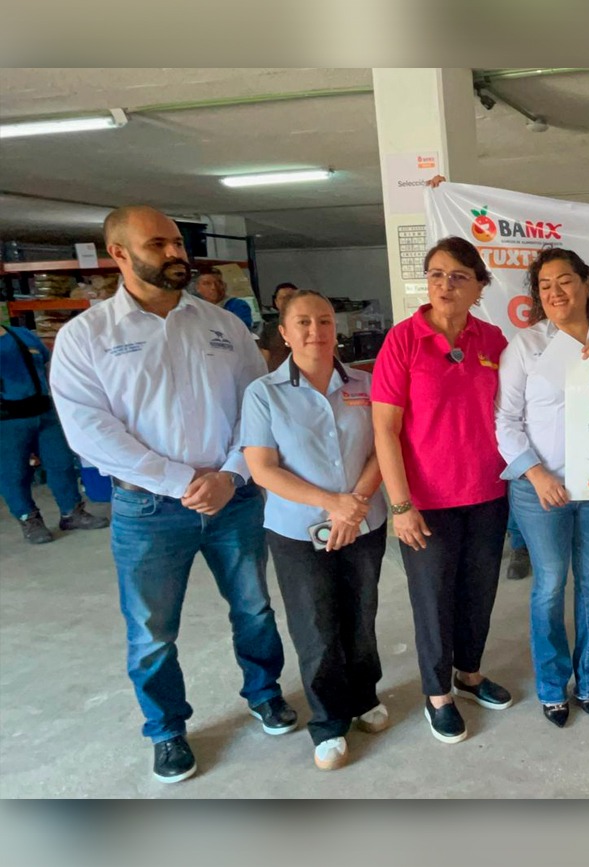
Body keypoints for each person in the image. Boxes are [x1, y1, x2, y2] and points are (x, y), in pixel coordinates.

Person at [49, 205, 294, 785]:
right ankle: (166, 731)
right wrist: (182, 481)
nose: (175, 253)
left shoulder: (221, 325)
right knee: (152, 630)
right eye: (158, 244)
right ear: (119, 254)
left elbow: (254, 407)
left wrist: (231, 475)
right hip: (148, 510)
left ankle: (264, 694)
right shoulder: (88, 337)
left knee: (254, 608)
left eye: (178, 243)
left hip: (233, 500)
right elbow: (91, 432)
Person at [372, 234, 514, 746]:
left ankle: (470, 676)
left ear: (480, 285)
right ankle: (438, 695)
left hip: (487, 494)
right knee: (433, 599)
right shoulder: (404, 340)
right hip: (426, 503)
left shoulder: (493, 340)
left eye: (458, 275)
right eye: (436, 274)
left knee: (479, 592)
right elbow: (384, 428)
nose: (445, 284)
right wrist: (401, 505)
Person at [241, 289, 390, 771]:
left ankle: (364, 697)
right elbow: (263, 469)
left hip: (365, 522)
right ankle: (328, 722)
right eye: (302, 322)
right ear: (283, 332)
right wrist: (334, 505)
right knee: (316, 627)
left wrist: (355, 506)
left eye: (324, 321)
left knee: (360, 616)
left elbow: (383, 450)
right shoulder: (263, 394)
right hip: (297, 532)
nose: (315, 331)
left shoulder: (365, 383)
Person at [496, 247, 589, 729]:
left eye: (565, 281)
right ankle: (553, 686)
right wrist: (536, 474)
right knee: (551, 585)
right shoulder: (525, 345)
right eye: (545, 286)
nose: (556, 292)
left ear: (586, 283)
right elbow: (506, 421)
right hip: (541, 489)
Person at [1, 322, 108, 543]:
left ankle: (72, 512)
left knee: (62, 464)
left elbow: (49, 366)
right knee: (13, 473)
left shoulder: (21, 335)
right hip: (6, 421)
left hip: (45, 412)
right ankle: (28, 519)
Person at [260, 282, 299, 369]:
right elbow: (265, 359)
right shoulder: (269, 329)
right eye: (282, 298)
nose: (287, 300)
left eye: (290, 297)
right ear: (276, 302)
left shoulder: (310, 325)